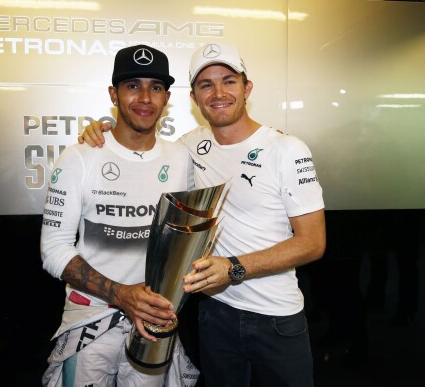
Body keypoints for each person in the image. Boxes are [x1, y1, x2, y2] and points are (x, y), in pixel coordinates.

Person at [79, 42, 326, 387]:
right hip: (213, 315)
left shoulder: (286, 150)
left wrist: (235, 267)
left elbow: (313, 243)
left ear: (247, 87)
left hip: (276, 317)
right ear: (194, 98)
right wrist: (100, 134)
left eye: (228, 80)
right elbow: (141, 148)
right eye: (206, 85)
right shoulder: (187, 147)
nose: (218, 93)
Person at [40, 44, 200, 387]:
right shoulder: (79, 157)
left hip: (154, 323)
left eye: (155, 87)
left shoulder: (181, 158)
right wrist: (121, 294)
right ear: (114, 93)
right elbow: (53, 249)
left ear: (166, 97)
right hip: (90, 319)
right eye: (133, 86)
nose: (145, 97)